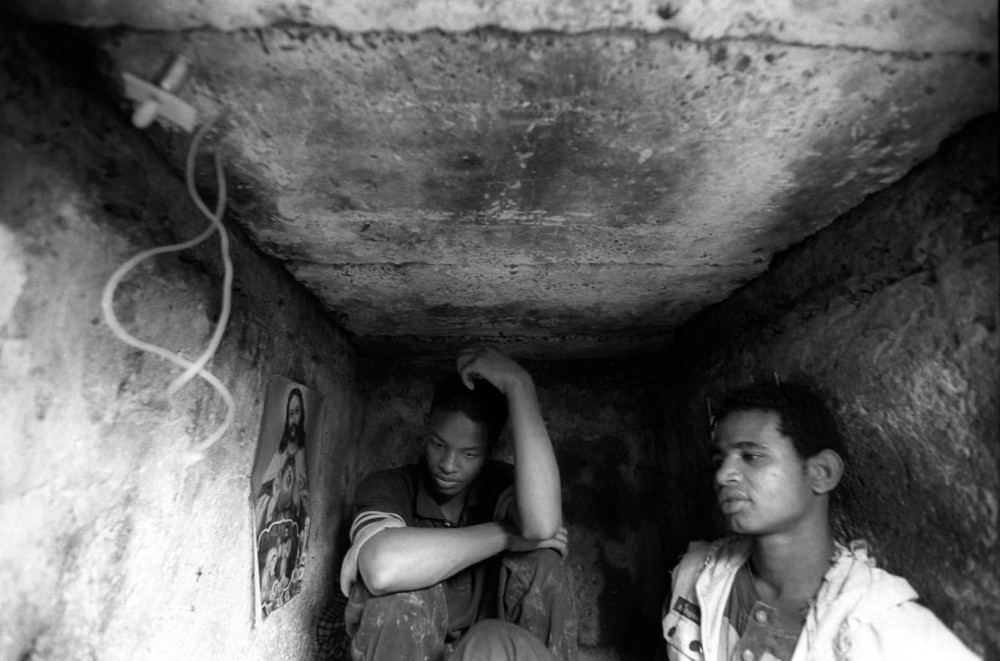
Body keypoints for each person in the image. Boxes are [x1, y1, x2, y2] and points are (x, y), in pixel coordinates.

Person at [661, 381, 980, 661]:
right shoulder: (696, 576)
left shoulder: (886, 627)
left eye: (752, 456)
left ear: (821, 472)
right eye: (719, 460)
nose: (723, 475)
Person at [338, 346, 577, 661]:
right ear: (426, 427)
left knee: (542, 560)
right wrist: (505, 534)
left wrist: (519, 384)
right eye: (438, 444)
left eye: (469, 454)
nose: (448, 465)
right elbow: (381, 568)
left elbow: (542, 527)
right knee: (394, 593)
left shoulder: (498, 484)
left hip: (490, 655)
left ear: (490, 449)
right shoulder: (390, 486)